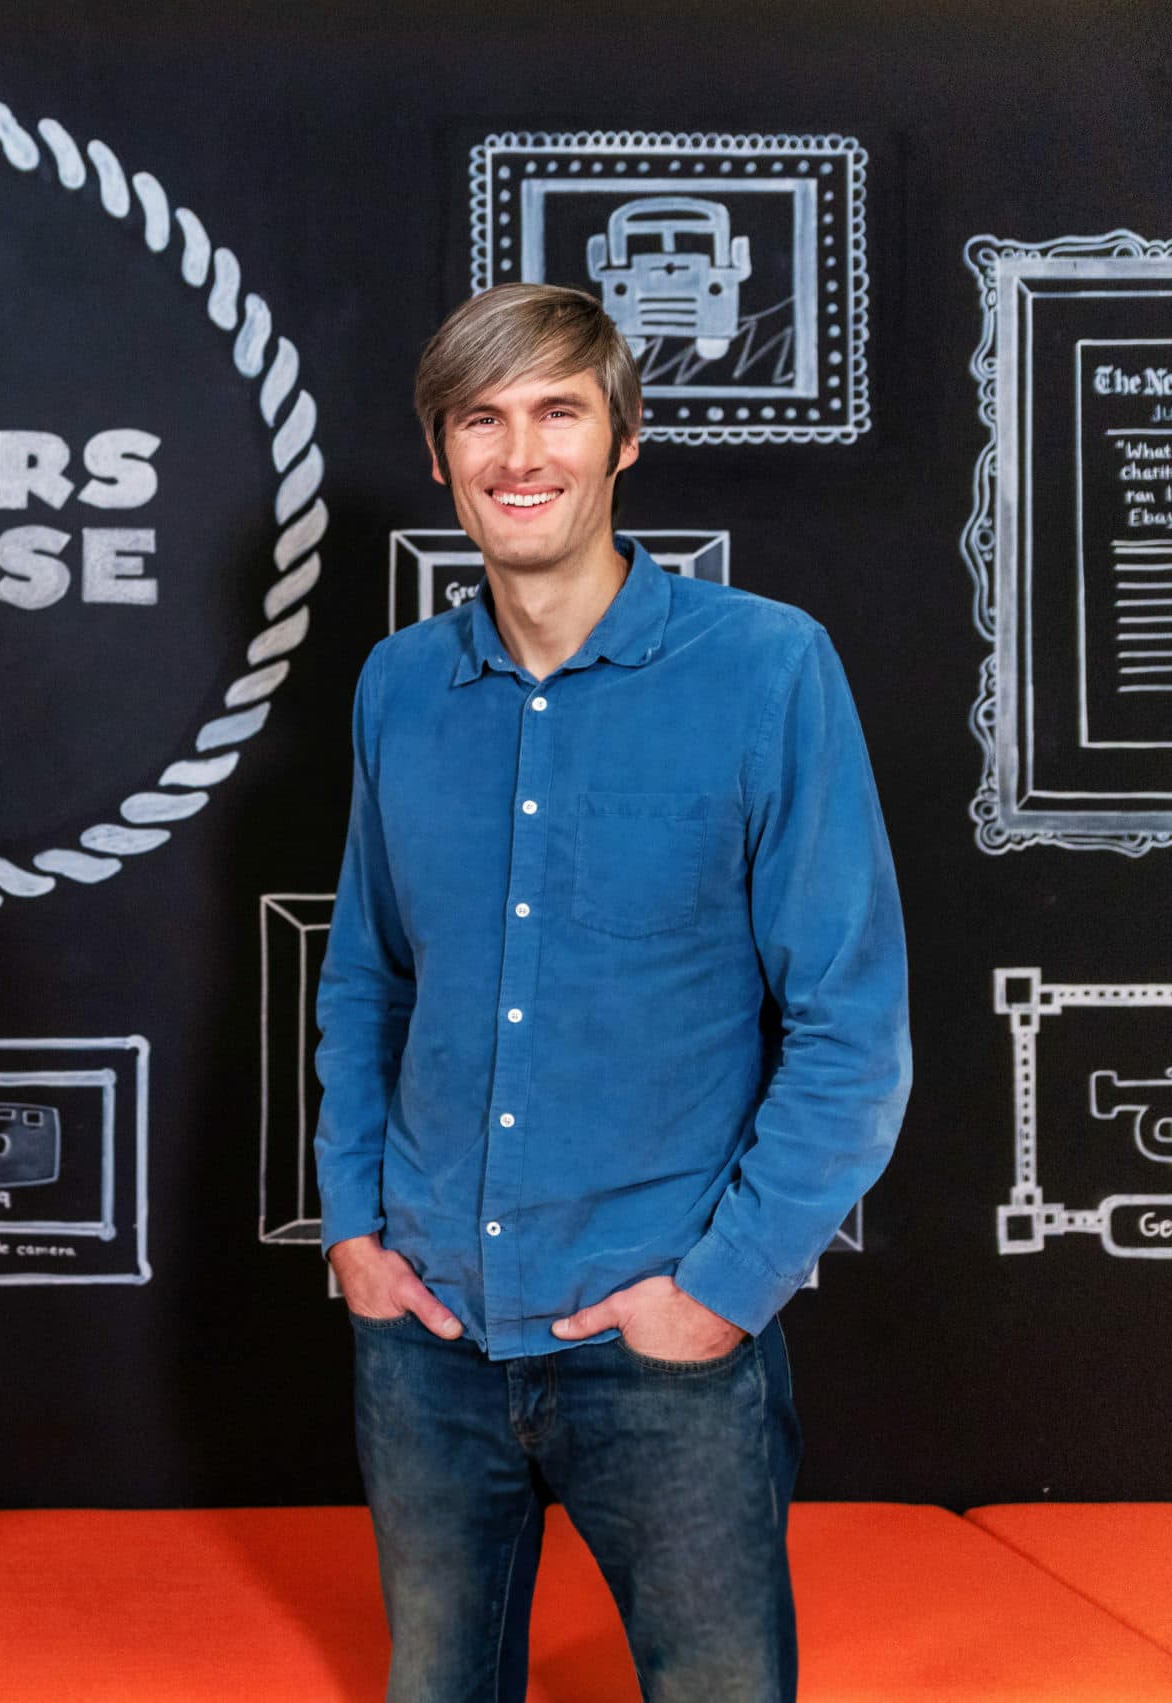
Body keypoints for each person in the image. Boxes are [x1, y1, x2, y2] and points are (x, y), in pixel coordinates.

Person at [314, 283, 909, 1700]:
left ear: (624, 440)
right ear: (443, 455)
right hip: (430, 1347)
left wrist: (720, 1293)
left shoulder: (769, 668)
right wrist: (352, 1231)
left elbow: (852, 1027)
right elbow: (362, 980)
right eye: (483, 420)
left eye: (558, 413)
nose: (522, 455)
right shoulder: (398, 687)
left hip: (668, 1353)